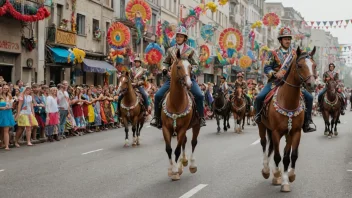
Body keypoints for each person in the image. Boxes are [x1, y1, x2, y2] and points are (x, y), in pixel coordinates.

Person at [254, 27, 316, 133]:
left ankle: (307, 122)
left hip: (292, 84)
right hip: (275, 82)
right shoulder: (273, 53)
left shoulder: (295, 54)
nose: (287, 41)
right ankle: (258, 116)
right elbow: (266, 68)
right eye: (285, 39)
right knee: (259, 97)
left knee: (309, 98)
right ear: (280, 40)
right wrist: (274, 74)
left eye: (289, 39)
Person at [150, 25, 205, 128]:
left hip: (187, 78)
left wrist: (188, 72)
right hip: (172, 79)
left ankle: (201, 118)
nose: (179, 38)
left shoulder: (191, 51)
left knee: (199, 95)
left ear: (185, 38)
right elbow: (164, 63)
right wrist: (166, 71)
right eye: (177, 36)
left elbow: (196, 65)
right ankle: (156, 119)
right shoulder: (170, 50)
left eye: (181, 36)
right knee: (157, 95)